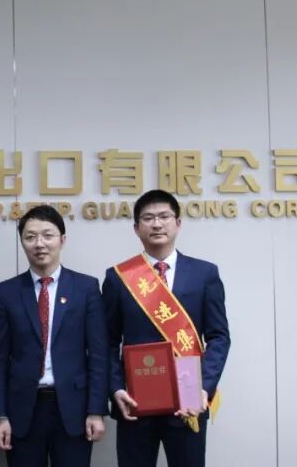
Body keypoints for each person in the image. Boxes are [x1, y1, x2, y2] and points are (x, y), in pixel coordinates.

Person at [104, 189, 231, 467]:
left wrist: (204, 388)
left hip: (188, 400)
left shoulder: (204, 273)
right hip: (135, 401)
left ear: (178, 223)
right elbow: (108, 341)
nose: (157, 224)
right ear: (136, 228)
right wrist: (115, 388)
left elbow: (219, 336)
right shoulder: (118, 278)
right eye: (148, 218)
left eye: (164, 216)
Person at [0, 205, 108, 467]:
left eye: (47, 235)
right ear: (22, 242)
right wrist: (0, 415)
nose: (39, 243)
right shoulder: (7, 292)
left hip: (74, 409)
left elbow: (98, 354)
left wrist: (96, 410)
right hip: (22, 410)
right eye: (30, 237)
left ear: (62, 240)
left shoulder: (86, 288)